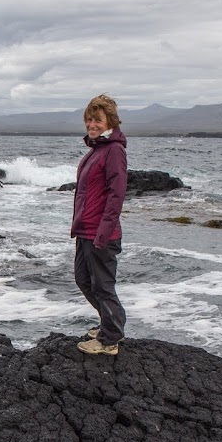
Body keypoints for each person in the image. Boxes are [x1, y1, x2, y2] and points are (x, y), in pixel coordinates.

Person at [72, 94, 128, 355]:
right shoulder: (97, 150)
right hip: (86, 230)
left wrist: (103, 233)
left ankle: (110, 339)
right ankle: (108, 324)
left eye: (97, 119)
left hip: (101, 233)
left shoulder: (114, 151)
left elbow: (116, 195)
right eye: (89, 119)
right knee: (83, 279)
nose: (91, 124)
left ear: (110, 121)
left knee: (102, 286)